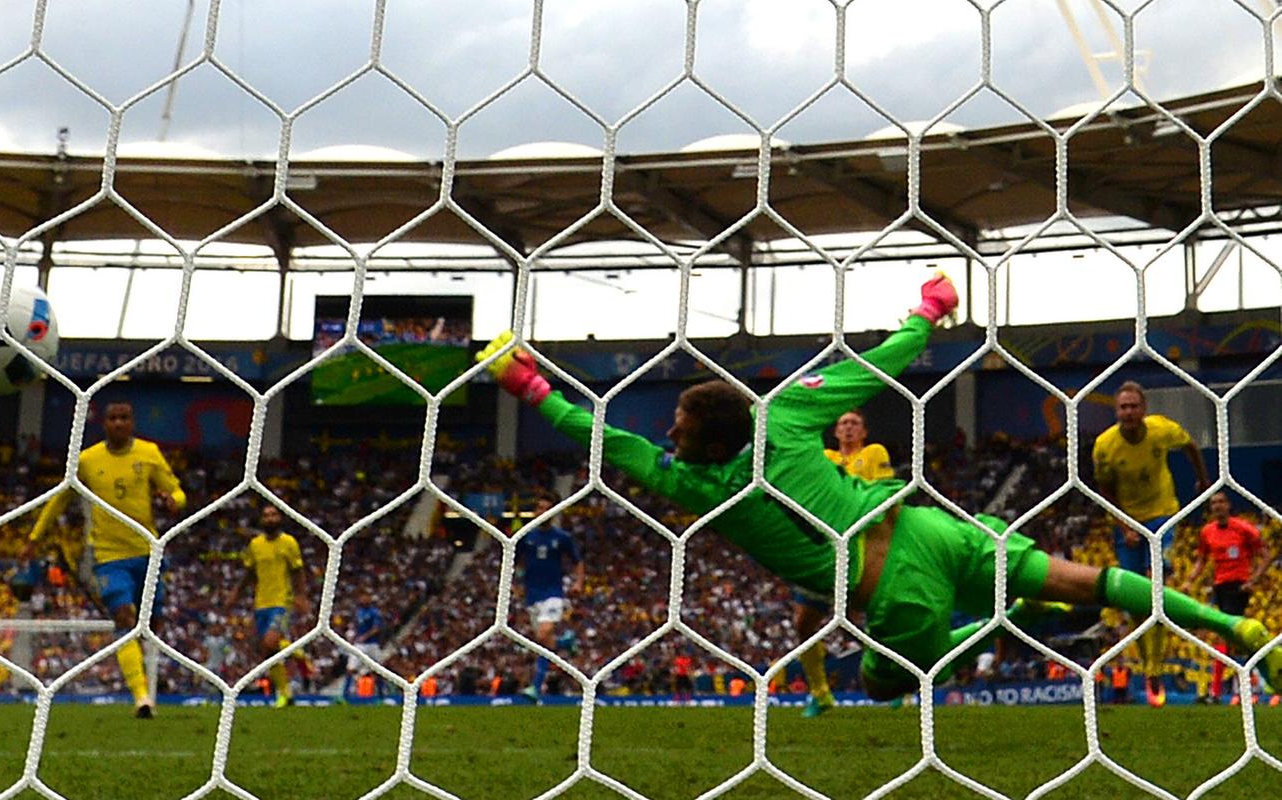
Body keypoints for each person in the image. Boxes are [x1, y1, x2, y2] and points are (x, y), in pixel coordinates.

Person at [477, 273, 1282, 701]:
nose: (667, 434)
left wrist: (532, 388)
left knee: (884, 684)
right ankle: (1239, 634)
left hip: (895, 592)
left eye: (677, 427)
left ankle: (997, 628)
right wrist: (926, 312)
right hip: (930, 528)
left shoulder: (692, 486)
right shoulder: (785, 413)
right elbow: (876, 366)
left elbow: (605, 437)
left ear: (698, 440)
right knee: (1087, 580)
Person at [30, 401, 186, 718]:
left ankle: (138, 673)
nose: (118, 423)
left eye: (124, 418)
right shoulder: (87, 460)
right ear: (104, 423)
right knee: (125, 620)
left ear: (132, 422)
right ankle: (142, 698)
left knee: (150, 627)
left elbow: (177, 491)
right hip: (107, 556)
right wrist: (35, 537)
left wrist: (174, 501)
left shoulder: (149, 453)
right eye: (113, 418)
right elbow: (60, 497)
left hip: (148, 552)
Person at [1092, 380, 1210, 707]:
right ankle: (1148, 667)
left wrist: (1202, 478)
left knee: (1154, 586)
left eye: (1133, 406)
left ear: (1143, 409)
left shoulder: (1161, 430)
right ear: (1116, 412)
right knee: (1134, 602)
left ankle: (1155, 667)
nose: (1128, 412)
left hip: (1163, 516)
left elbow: (1190, 446)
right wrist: (1124, 525)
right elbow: (1104, 491)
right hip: (1128, 521)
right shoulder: (1105, 446)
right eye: (1123, 407)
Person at [794, 409, 895, 716]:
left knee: (875, 619)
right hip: (824, 548)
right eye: (843, 424)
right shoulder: (824, 456)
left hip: (863, 547)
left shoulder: (875, 453)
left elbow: (885, 494)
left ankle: (895, 685)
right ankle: (820, 692)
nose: (848, 428)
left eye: (854, 424)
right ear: (835, 432)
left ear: (864, 431)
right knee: (803, 622)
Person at [1182, 492, 1271, 704]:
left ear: (1228, 505)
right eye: (1214, 503)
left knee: (1226, 636)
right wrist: (1189, 581)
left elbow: (1266, 555)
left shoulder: (1243, 528)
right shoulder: (1207, 532)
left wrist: (1253, 580)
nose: (1218, 506)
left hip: (1239, 588)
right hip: (1219, 587)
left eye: (1221, 502)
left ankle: (1217, 693)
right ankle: (1247, 689)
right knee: (1236, 639)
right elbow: (1201, 561)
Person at [227, 504, 311, 708]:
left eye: (274, 514)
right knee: (267, 652)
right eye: (266, 515)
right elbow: (249, 573)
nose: (270, 518)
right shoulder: (255, 545)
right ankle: (286, 692)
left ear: (280, 519)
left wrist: (300, 595)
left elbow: (298, 571)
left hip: (282, 602)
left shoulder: (289, 543)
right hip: (260, 604)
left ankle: (299, 659)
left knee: (270, 643)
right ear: (262, 520)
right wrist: (236, 593)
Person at [516, 495, 584, 698]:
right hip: (532, 595)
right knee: (546, 644)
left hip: (553, 593)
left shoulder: (562, 537)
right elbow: (515, 559)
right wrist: (516, 582)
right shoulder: (526, 536)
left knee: (543, 635)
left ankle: (535, 688)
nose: (543, 512)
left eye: (548, 508)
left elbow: (577, 561)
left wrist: (579, 582)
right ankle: (565, 643)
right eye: (540, 507)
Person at [344, 592, 385, 698]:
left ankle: (381, 695)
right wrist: (353, 637)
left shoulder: (375, 612)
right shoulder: (358, 612)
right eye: (362, 597)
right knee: (350, 669)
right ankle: (345, 696)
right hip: (360, 645)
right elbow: (356, 626)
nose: (363, 599)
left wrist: (365, 636)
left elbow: (376, 628)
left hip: (372, 644)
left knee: (379, 669)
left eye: (366, 597)